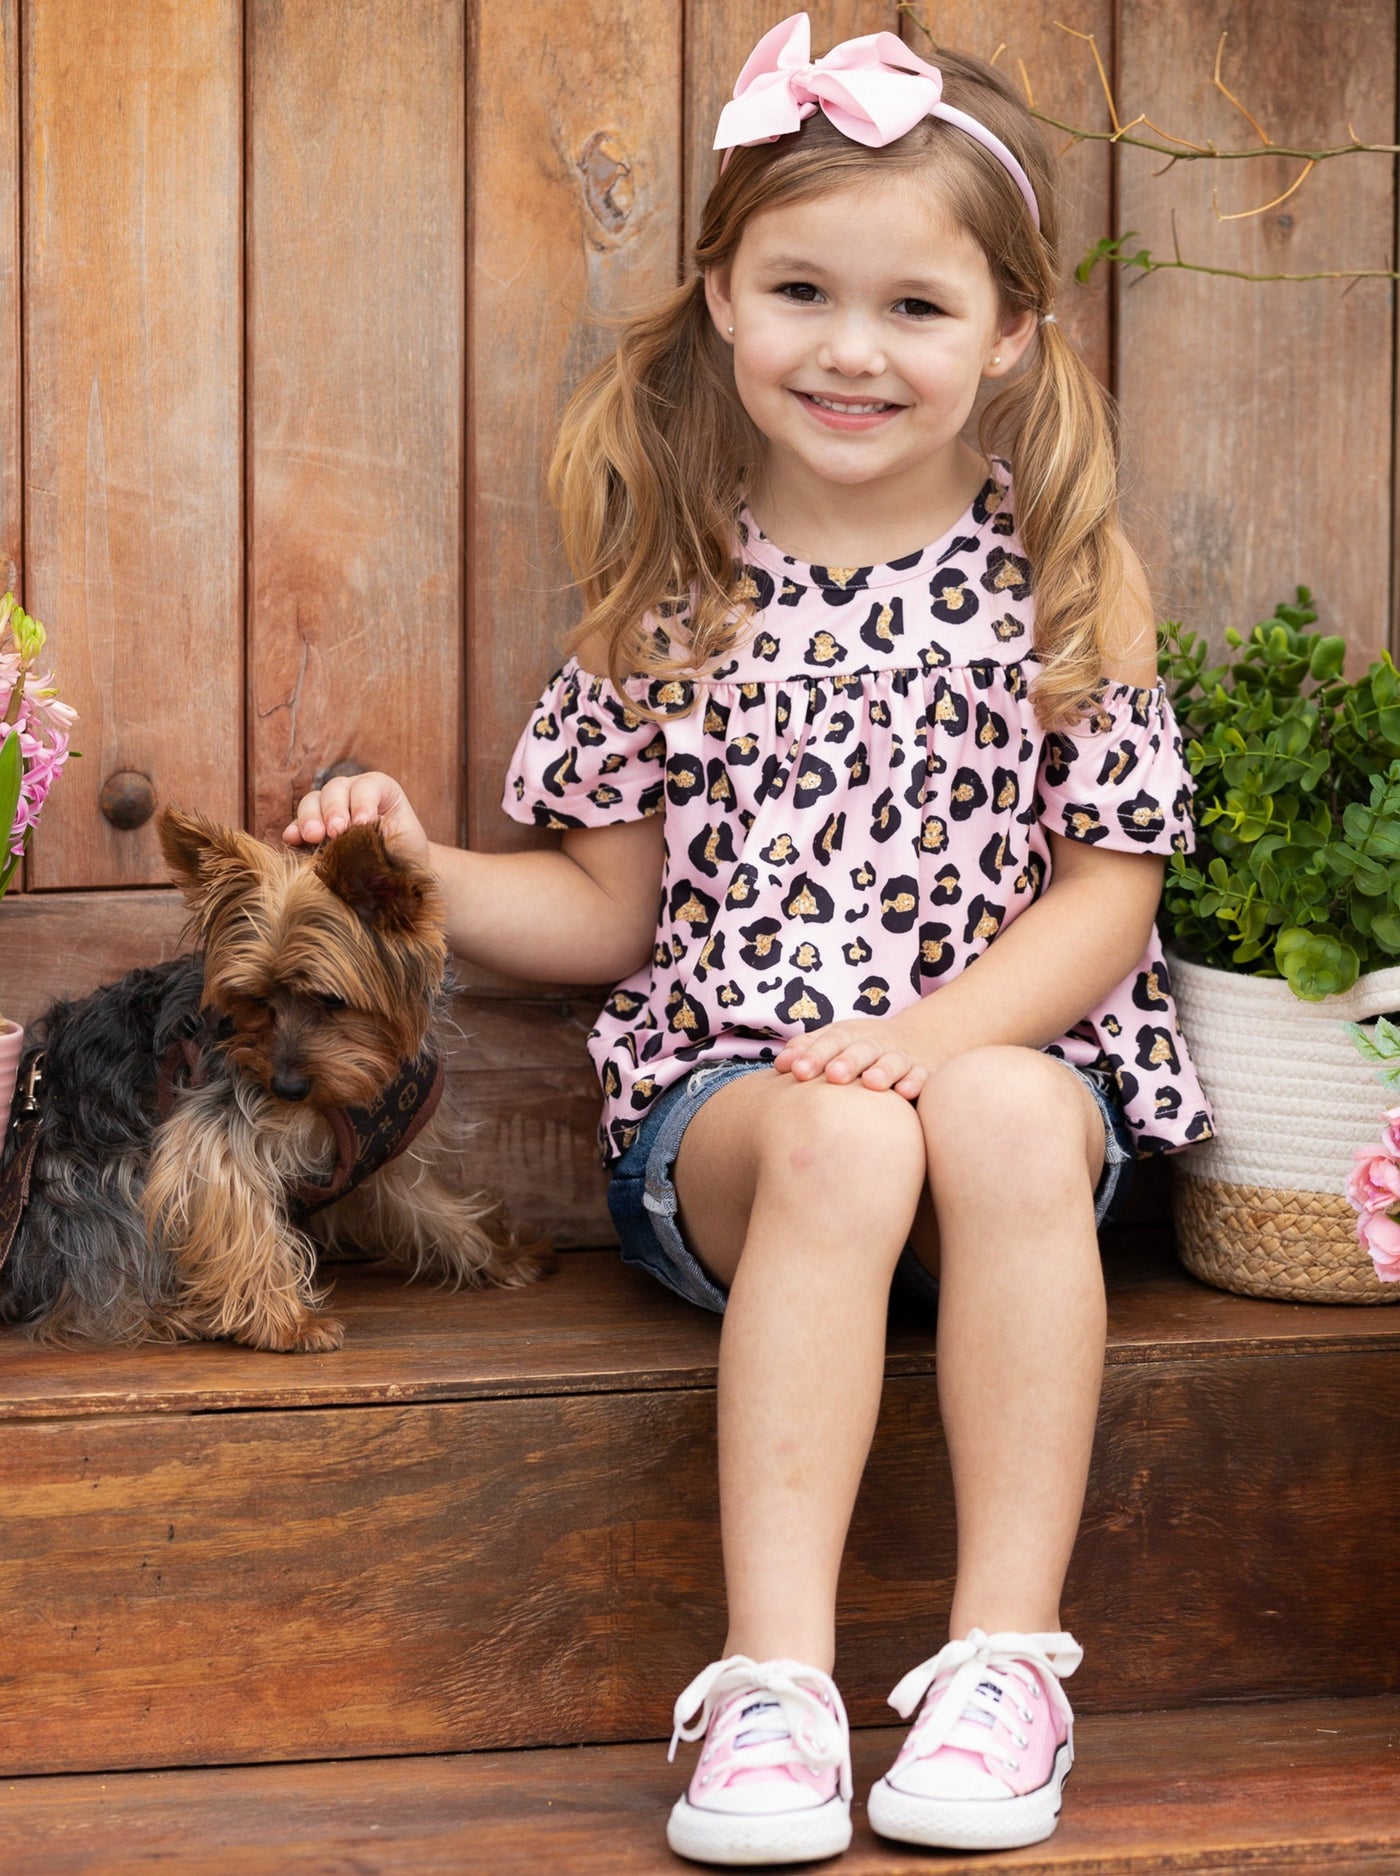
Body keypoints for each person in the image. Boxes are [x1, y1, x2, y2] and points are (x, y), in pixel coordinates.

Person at [287, 13, 1212, 1863]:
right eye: (801, 288)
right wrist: (418, 865)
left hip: (1003, 1145)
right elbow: (607, 916)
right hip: (746, 1134)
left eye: (918, 310)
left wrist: (944, 1033)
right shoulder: (672, 594)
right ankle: (776, 1691)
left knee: (1005, 1111)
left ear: (1012, 333)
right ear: (721, 297)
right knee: (844, 1126)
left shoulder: (1061, 587)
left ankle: (999, 1668)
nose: (851, 350)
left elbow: (1113, 892)